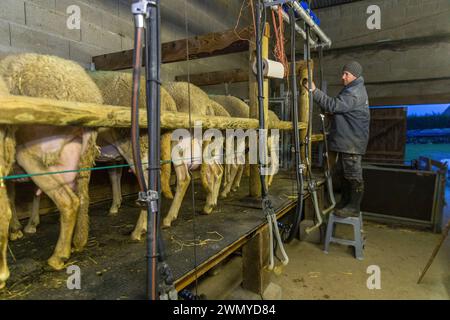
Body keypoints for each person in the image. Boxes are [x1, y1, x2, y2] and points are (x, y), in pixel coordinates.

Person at [303, 61, 370, 217]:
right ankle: (346, 202)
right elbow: (341, 109)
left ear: (355, 75)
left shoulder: (354, 92)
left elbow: (334, 105)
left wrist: (314, 91)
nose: (343, 77)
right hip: (348, 140)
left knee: (353, 174)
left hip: (352, 141)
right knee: (345, 173)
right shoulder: (353, 89)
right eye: (343, 73)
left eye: (346, 74)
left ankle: (353, 207)